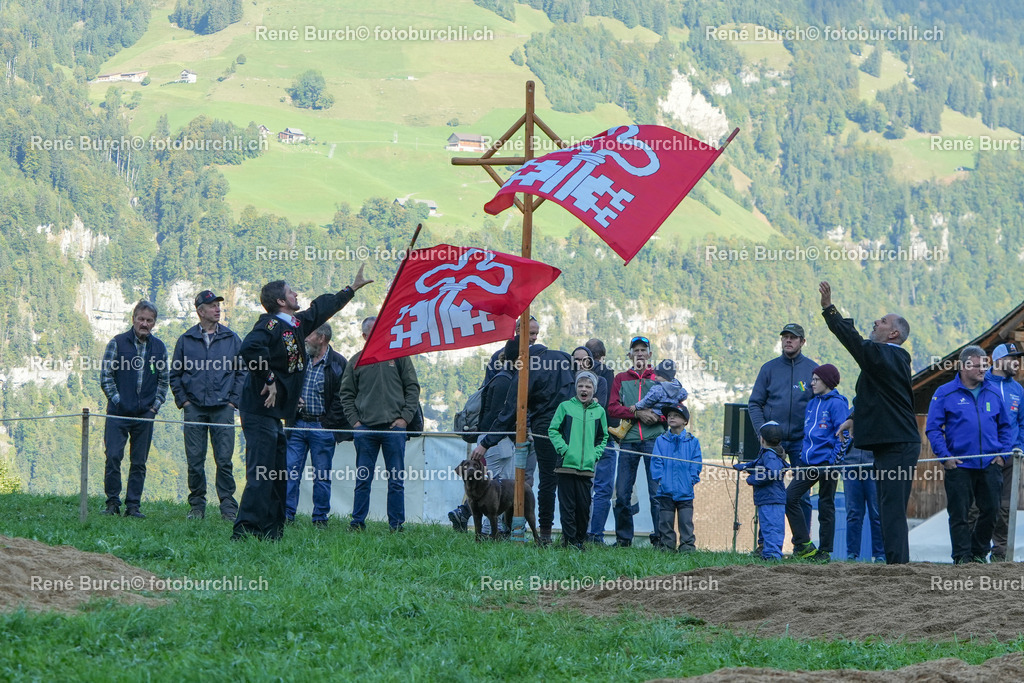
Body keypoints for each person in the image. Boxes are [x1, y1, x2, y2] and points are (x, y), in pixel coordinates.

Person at [232, 267, 371, 541]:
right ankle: (245, 531)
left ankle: (272, 532)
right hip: (258, 410)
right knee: (261, 472)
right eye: (290, 291)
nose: (296, 294)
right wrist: (269, 378)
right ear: (281, 302)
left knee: (277, 474)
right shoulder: (270, 324)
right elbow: (249, 349)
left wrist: (350, 290)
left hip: (276, 415)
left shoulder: (295, 325)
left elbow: (321, 309)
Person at [819, 280, 920, 564]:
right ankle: (894, 564)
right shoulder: (885, 362)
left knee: (891, 509)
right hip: (891, 443)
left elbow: (855, 344)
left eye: (883, 321)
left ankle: (897, 566)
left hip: (898, 445)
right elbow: (874, 397)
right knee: (888, 507)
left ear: (894, 333)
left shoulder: (889, 354)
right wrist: (852, 418)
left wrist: (830, 311)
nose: (876, 321)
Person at [474, 336, 575, 545]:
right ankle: (572, 535)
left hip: (546, 428)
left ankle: (545, 534)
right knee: (572, 479)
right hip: (575, 427)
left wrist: (485, 443)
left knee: (548, 480)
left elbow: (509, 412)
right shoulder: (563, 357)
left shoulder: (525, 370)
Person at [926, 345, 1012, 564]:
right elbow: (933, 429)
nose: (984, 370)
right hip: (960, 465)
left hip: (990, 464)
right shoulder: (944, 393)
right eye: (978, 366)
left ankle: (978, 551)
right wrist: (946, 457)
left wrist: (1003, 454)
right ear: (963, 367)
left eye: (986, 365)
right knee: (960, 515)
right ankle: (962, 557)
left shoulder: (993, 391)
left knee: (992, 510)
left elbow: (1005, 427)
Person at [170, 290, 245, 521]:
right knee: (195, 460)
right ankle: (197, 506)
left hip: (223, 408)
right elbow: (175, 374)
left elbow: (242, 372)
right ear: (200, 311)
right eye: (212, 305)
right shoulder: (186, 339)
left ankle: (228, 508)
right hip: (195, 408)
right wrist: (184, 402)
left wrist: (233, 401)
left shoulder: (232, 339)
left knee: (224, 460)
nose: (217, 309)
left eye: (218, 305)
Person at [340, 316, 421, 532]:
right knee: (363, 479)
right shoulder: (355, 361)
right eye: (373, 332)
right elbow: (346, 394)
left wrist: (404, 418)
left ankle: (396, 525)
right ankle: (357, 523)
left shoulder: (400, 356)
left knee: (396, 481)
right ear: (364, 336)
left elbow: (413, 388)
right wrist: (355, 423)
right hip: (365, 430)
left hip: (394, 429)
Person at [100, 300, 169, 518]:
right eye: (141, 319)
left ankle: (133, 507)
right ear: (133, 319)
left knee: (139, 463)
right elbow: (106, 376)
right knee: (113, 457)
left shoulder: (159, 347)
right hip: (118, 413)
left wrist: (154, 408)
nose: (145, 324)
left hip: (145, 416)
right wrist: (118, 401)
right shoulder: (117, 343)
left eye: (149, 320)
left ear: (154, 323)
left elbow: (164, 381)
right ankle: (112, 503)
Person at [748, 323, 817, 537]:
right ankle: (765, 544)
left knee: (801, 495)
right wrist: (763, 433)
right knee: (767, 491)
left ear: (802, 342)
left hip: (801, 442)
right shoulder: (768, 369)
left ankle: (802, 544)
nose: (788, 340)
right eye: (785, 337)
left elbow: (818, 404)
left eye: (793, 337)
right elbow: (754, 403)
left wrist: (812, 435)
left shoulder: (813, 370)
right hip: (772, 443)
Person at [283, 323, 348, 528]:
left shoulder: (338, 363)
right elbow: (286, 384)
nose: (305, 339)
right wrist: (293, 402)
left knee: (321, 476)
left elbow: (342, 398)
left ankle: (320, 519)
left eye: (309, 335)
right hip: (297, 424)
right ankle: (286, 516)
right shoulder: (299, 358)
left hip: (322, 427)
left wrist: (328, 424)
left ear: (321, 338)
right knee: (290, 472)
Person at [607, 335, 666, 547]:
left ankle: (661, 539)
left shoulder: (659, 377)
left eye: (643, 349)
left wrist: (658, 418)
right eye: (636, 350)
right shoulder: (620, 379)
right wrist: (638, 414)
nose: (639, 353)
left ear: (650, 354)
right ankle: (624, 539)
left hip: (655, 440)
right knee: (622, 492)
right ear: (630, 355)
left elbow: (674, 409)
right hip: (629, 441)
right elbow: (612, 408)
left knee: (657, 492)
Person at [786, 364, 849, 561]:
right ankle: (805, 543)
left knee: (825, 504)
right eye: (811, 379)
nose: (812, 383)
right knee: (790, 498)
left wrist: (833, 462)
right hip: (808, 461)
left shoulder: (837, 404)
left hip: (827, 463)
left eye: (816, 379)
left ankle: (824, 551)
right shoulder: (812, 403)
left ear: (827, 382)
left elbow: (844, 435)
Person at [448, 350, 515, 533]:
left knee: (492, 486)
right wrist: (488, 442)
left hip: (493, 438)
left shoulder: (499, 377)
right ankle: (487, 530)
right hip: (497, 440)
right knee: (491, 488)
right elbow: (500, 415)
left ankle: (469, 516)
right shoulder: (505, 382)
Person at [548, 371, 608, 549]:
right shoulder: (565, 407)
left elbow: (602, 437)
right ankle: (570, 541)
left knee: (583, 506)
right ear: (576, 388)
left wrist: (595, 454)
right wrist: (564, 450)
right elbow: (553, 430)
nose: (584, 389)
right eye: (581, 386)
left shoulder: (599, 412)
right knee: (568, 506)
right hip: (566, 466)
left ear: (593, 390)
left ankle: (580, 540)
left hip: (586, 468)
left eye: (588, 386)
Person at [985, 342, 1024, 561]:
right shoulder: (982, 383)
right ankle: (974, 554)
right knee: (978, 507)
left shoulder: (1018, 390)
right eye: (1012, 357)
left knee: (1005, 508)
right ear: (999, 361)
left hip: (1011, 459)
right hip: (984, 458)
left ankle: (1000, 556)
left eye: (1018, 357)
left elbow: (1023, 423)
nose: (1017, 362)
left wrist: (1019, 447)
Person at [650, 402, 702, 552]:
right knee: (665, 521)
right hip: (665, 490)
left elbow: (696, 462)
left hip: (686, 491)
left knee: (686, 522)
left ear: (685, 421)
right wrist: (660, 479)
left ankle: (687, 546)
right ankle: (667, 546)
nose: (671, 418)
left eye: (676, 416)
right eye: (669, 416)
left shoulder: (693, 441)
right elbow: (656, 460)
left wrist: (692, 479)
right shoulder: (661, 440)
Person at [734, 422, 787, 560]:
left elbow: (772, 473)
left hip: (771, 498)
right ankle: (767, 553)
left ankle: (773, 556)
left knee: (772, 528)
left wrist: (752, 479)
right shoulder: (768, 453)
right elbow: (757, 463)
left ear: (762, 439)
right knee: (767, 528)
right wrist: (745, 466)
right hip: (768, 498)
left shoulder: (770, 455)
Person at [585, 338, 619, 545]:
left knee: (581, 486)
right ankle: (596, 534)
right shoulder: (608, 374)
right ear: (602, 356)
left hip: (582, 439)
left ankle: (579, 531)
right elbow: (612, 407)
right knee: (603, 489)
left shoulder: (575, 373)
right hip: (604, 437)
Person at [843, 446, 885, 562]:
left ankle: (880, 555)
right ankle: (851, 554)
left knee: (876, 514)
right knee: (853, 513)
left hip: (873, 466)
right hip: (850, 465)